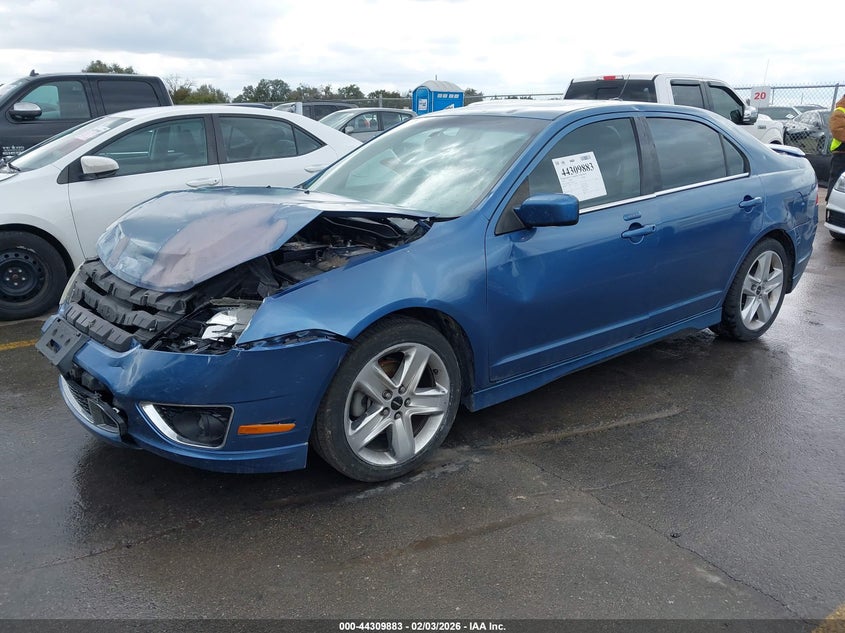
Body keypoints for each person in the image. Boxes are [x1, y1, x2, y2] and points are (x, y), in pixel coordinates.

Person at [826, 95, 845, 200]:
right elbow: (838, 131)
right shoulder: (839, 112)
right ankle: (831, 201)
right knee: (836, 179)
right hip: (840, 153)